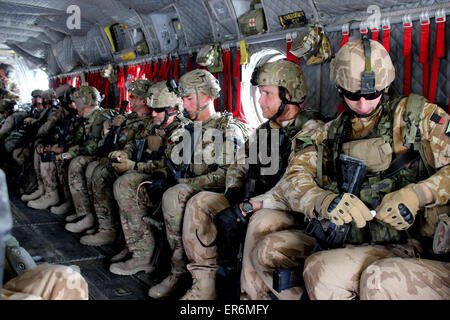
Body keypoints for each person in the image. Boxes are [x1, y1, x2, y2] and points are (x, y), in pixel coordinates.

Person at [263, 38, 449, 300]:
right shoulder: (329, 133)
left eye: (372, 94)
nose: (363, 103)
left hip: (408, 243)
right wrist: (324, 200)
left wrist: (419, 194)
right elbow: (293, 178)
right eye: (353, 95)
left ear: (384, 87)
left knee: (322, 271)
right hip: (349, 238)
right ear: (340, 90)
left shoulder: (418, 118)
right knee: (271, 249)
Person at [181, 59, 324, 300]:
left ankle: (249, 298)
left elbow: (294, 185)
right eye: (259, 93)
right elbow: (240, 161)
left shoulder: (311, 129)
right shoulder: (265, 130)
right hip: (253, 201)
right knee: (201, 201)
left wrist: (246, 208)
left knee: (260, 220)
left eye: (267, 93)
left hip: (289, 210)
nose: (260, 100)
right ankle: (204, 284)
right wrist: (233, 189)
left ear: (289, 94)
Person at [146, 69, 249, 299]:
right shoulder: (187, 129)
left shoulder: (226, 130)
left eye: (189, 99)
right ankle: (176, 270)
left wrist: (186, 183)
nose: (184, 105)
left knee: (176, 195)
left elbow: (228, 175)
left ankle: (182, 272)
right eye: (182, 99)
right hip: (189, 188)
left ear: (206, 97)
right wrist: (163, 175)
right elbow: (172, 162)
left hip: (216, 196)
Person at [109, 81, 188, 274]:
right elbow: (137, 143)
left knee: (125, 184)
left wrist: (135, 166)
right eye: (152, 109)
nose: (153, 114)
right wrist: (124, 154)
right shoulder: (153, 126)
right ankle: (133, 245)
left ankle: (142, 254)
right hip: (148, 175)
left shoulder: (181, 132)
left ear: (173, 110)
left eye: (158, 110)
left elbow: (169, 166)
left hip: (165, 182)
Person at [77, 79, 154, 246]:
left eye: (133, 96)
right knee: (93, 169)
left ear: (143, 99)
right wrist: (113, 128)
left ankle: (113, 231)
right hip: (122, 158)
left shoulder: (151, 122)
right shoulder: (128, 118)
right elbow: (112, 143)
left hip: (139, 165)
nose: (130, 99)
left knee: (102, 174)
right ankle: (105, 224)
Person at [57, 86, 117, 233]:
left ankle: (86, 215)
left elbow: (93, 146)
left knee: (76, 163)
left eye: (76, 100)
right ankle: (78, 210)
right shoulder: (86, 118)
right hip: (94, 154)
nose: (73, 104)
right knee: (63, 159)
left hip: (102, 156)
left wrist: (71, 153)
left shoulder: (100, 117)